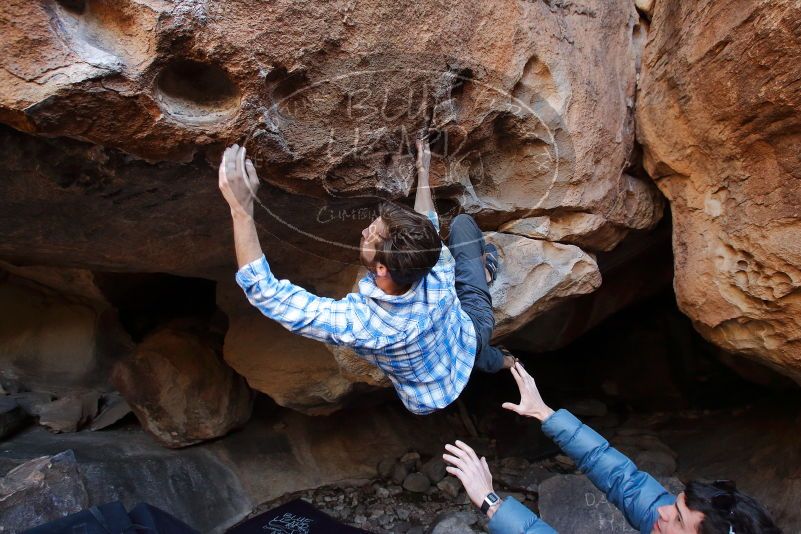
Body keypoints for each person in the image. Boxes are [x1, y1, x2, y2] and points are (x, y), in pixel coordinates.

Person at [218, 138, 514, 415]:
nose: (363, 231)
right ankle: (505, 351)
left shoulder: (364, 324)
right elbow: (429, 225)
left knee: (480, 353)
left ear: (382, 268)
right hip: (469, 332)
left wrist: (240, 210)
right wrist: (423, 170)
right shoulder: (435, 265)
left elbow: (266, 293)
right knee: (464, 227)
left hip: (429, 395)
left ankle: (503, 359)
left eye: (369, 234)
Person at [442, 362, 782, 534]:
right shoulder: (672, 518)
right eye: (675, 504)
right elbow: (625, 480)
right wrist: (546, 414)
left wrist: (491, 502)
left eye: (677, 518)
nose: (664, 510)